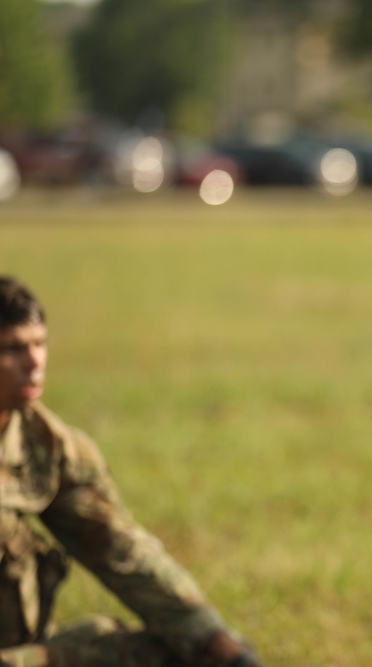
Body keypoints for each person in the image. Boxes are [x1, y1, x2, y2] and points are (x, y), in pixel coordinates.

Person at [0, 276, 262, 667]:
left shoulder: (49, 447)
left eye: (40, 344)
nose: (34, 361)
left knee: (171, 651)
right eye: (13, 348)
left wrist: (217, 642)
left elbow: (122, 552)